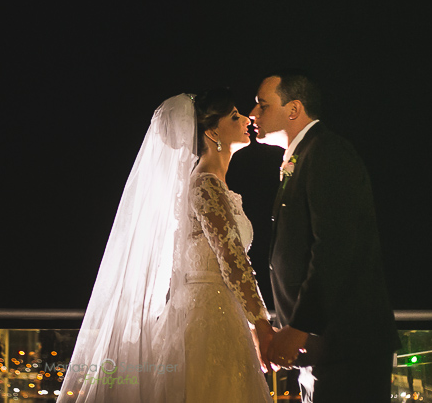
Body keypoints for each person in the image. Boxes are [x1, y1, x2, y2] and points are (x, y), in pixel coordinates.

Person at [57, 90, 272, 402]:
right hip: (210, 320)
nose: (246, 120)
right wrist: (262, 323)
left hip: (226, 313)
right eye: (235, 116)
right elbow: (232, 259)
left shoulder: (215, 185)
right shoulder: (206, 185)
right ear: (213, 132)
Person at [248, 72, 401, 403]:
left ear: (294, 109)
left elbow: (335, 246)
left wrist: (299, 326)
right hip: (321, 348)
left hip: (345, 344)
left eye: (262, 104)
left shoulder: (328, 152)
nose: (252, 113)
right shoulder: (304, 157)